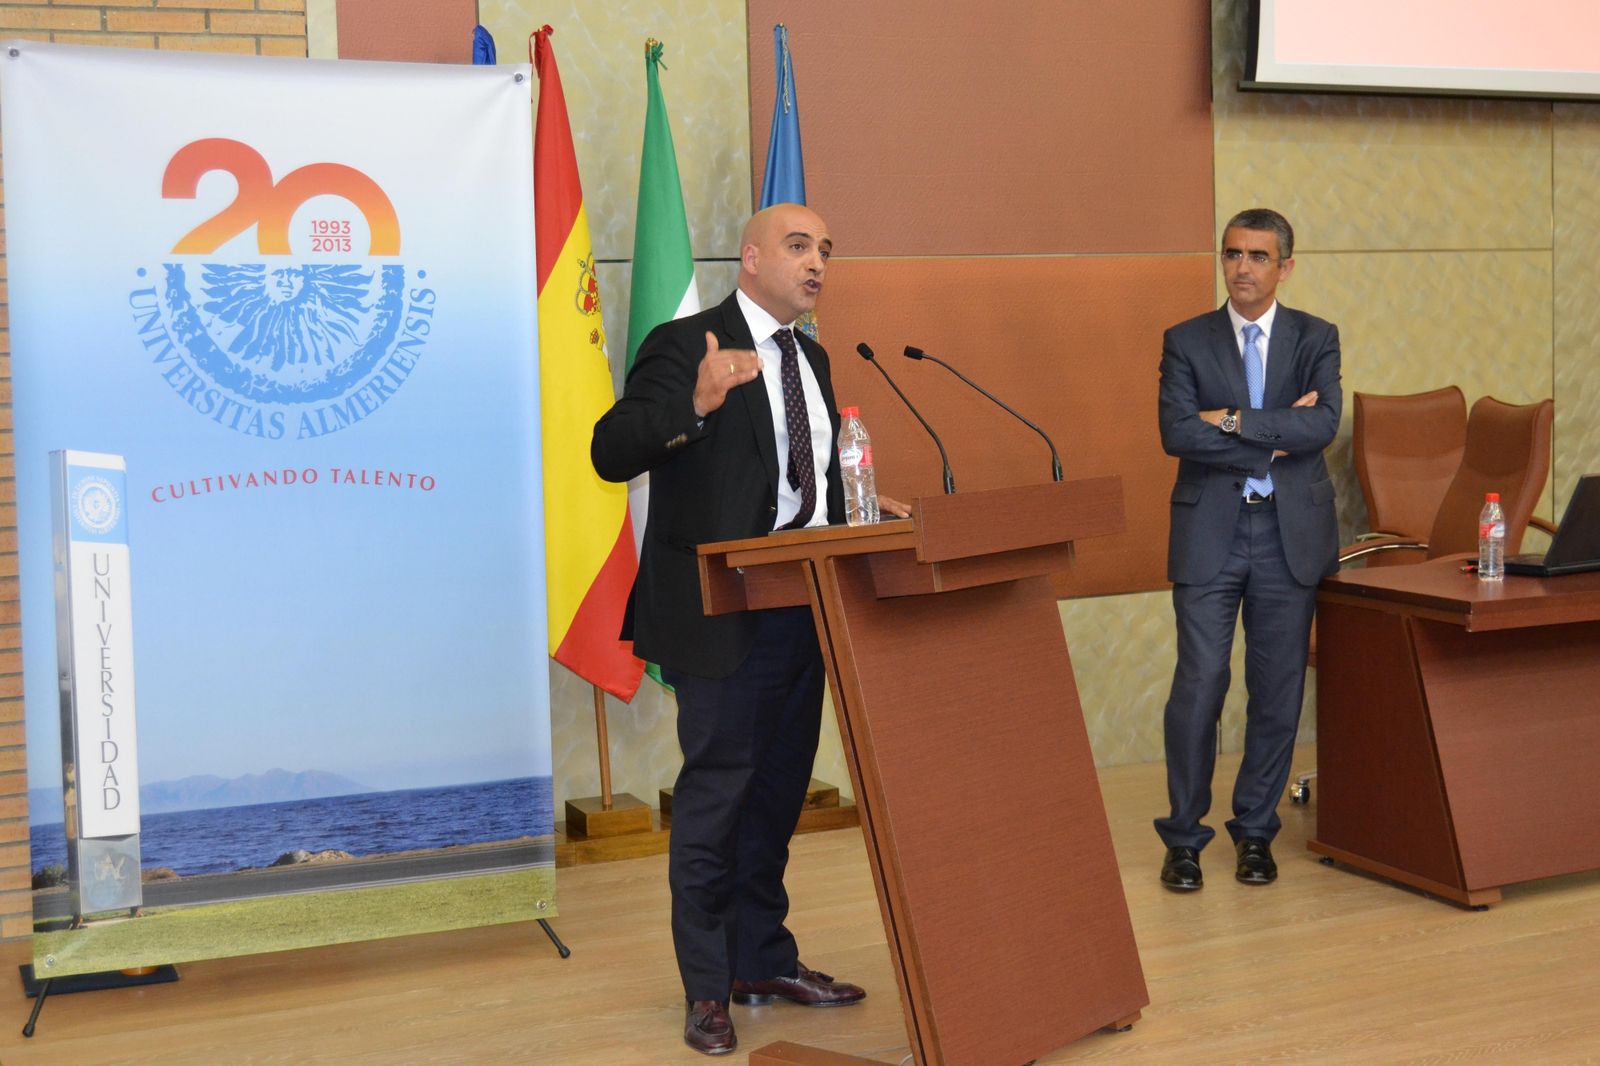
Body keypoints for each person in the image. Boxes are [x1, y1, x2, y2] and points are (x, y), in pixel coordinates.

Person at [591, 203, 906, 1056]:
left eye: (827, 252)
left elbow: (797, 486)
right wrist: (691, 404)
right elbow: (611, 450)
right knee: (716, 799)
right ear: (753, 255)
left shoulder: (814, 354)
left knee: (774, 798)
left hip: (802, 607)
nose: (817, 265)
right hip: (719, 608)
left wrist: (870, 513)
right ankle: (704, 991)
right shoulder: (684, 340)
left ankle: (762, 958)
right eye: (800, 247)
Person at [1154, 208, 1341, 892]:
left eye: (1259, 256)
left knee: (1277, 693)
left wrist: (1231, 420)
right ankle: (1184, 837)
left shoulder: (1316, 337)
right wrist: (1276, 429)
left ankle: (1255, 832)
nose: (1243, 268)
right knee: (1200, 686)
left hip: (1289, 535)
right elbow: (1177, 433)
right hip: (1211, 533)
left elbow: (1322, 424)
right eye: (1232, 254)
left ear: (1285, 266)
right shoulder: (1187, 340)